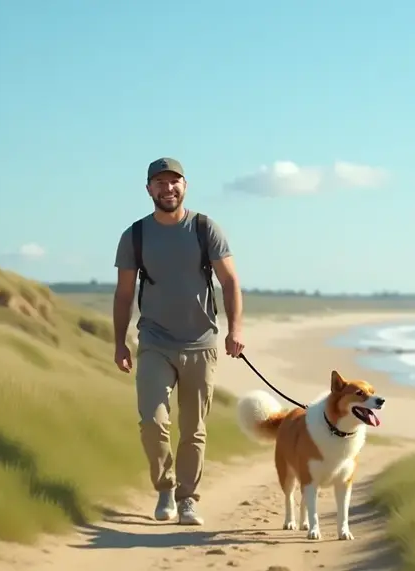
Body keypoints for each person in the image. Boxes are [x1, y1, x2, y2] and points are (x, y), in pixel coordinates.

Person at [112, 157, 246, 526]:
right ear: (149, 189)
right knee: (152, 423)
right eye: (160, 182)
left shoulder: (205, 228)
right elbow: (124, 295)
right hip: (154, 340)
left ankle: (188, 499)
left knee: (193, 429)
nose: (167, 188)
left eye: (174, 182)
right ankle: (165, 488)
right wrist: (120, 343)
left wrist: (235, 330)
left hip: (201, 343)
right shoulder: (135, 236)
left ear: (185, 186)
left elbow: (230, 282)